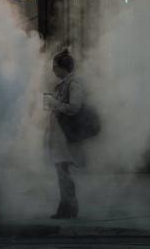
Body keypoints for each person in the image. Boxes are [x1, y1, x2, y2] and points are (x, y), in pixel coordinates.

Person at [44, 49, 85, 219]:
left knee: (64, 172)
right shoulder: (63, 84)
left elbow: (75, 107)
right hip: (59, 137)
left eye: (55, 67)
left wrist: (54, 103)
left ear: (64, 68)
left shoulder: (74, 84)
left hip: (65, 138)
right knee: (61, 173)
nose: (53, 70)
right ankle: (65, 206)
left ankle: (69, 207)